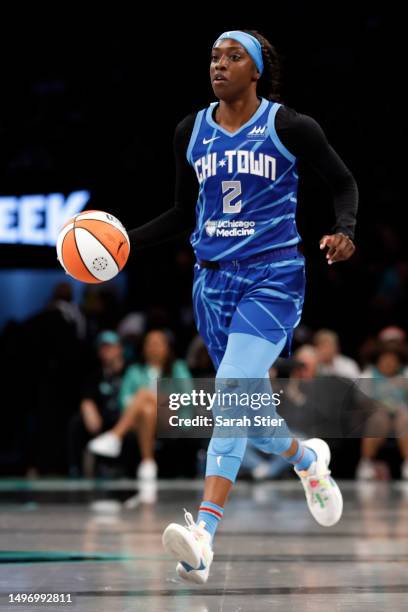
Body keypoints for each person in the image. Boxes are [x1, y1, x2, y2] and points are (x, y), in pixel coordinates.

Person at [127, 29, 358, 583]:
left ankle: (204, 536)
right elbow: (185, 213)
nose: (219, 65)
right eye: (213, 56)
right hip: (212, 286)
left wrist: (343, 230)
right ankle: (306, 460)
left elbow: (343, 181)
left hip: (273, 278)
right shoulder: (192, 130)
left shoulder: (288, 126)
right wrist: (124, 244)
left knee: (230, 390)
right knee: (247, 415)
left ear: (256, 71)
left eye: (233, 57)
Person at [88, 329, 191, 480]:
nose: (153, 348)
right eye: (149, 344)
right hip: (141, 420)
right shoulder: (134, 371)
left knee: (143, 394)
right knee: (147, 410)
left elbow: (187, 397)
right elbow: (124, 401)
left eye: (158, 344)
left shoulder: (178, 368)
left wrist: (156, 398)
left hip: (172, 416)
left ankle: (115, 436)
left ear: (167, 348)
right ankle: (148, 463)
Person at [68, 331, 127, 476]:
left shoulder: (131, 371)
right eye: (102, 347)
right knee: (77, 422)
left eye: (110, 346)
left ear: (120, 348)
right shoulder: (94, 374)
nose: (105, 350)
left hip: (125, 420)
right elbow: (87, 396)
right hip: (103, 421)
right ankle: (75, 471)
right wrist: (87, 405)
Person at [356, 345, 408, 480]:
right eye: (385, 360)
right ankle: (366, 463)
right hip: (375, 417)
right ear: (378, 361)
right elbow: (361, 401)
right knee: (379, 417)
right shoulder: (368, 375)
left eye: (392, 360)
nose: (389, 363)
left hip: (400, 416)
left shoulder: (405, 375)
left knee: (404, 417)